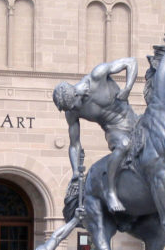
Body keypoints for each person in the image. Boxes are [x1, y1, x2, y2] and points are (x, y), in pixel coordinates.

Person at [53, 58, 138, 213]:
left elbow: (131, 63)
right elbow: (74, 144)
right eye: (69, 108)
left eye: (73, 105)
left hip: (134, 119)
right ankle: (111, 192)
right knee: (124, 145)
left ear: (75, 94)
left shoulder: (97, 76)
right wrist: (75, 172)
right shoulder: (71, 112)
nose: (73, 109)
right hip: (114, 129)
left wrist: (127, 88)